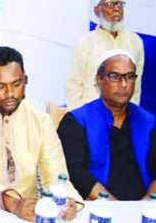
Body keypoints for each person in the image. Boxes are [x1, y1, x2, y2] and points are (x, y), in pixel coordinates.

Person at [0, 46, 81, 221]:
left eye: (16, 84)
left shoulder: (40, 121)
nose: (10, 94)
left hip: (27, 213)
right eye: (0, 86)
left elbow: (56, 176)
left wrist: (68, 201)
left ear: (25, 81)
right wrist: (13, 204)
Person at [58, 49, 156, 200]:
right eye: (115, 77)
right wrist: (113, 209)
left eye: (130, 77)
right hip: (98, 208)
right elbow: (76, 173)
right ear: (99, 79)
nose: (124, 84)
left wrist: (147, 206)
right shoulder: (76, 121)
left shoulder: (149, 122)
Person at [66, 0, 144, 109]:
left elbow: (136, 86)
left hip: (123, 117)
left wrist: (130, 118)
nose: (117, 9)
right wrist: (80, 120)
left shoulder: (135, 42)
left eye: (120, 4)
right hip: (91, 116)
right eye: (110, 4)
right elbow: (74, 85)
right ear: (97, 11)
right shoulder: (85, 42)